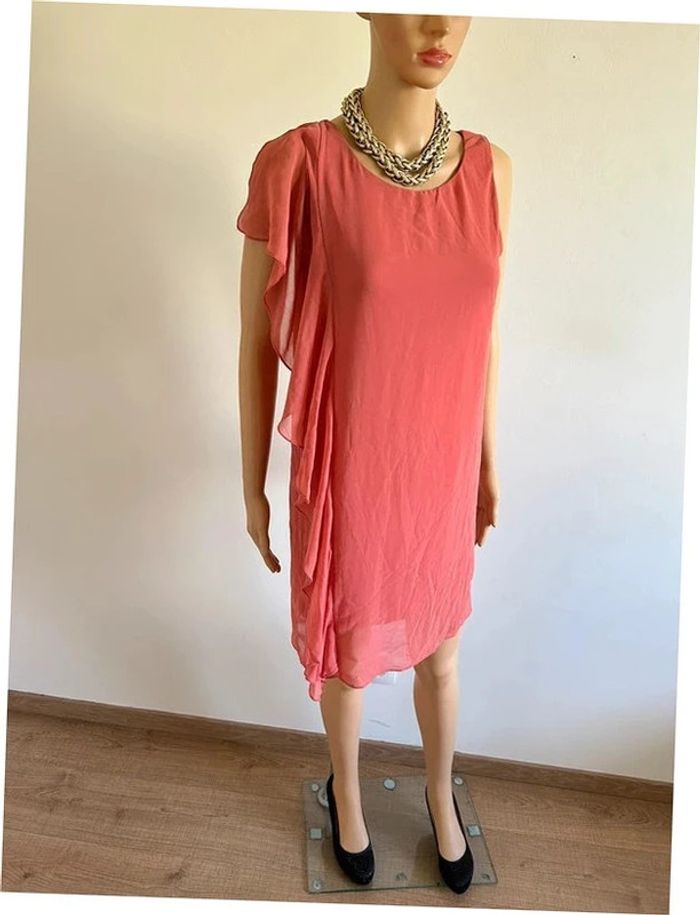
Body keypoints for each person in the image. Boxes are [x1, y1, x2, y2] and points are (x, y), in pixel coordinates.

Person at [237, 13, 511, 894]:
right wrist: (253, 484)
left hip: (441, 468)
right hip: (355, 469)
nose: (439, 23)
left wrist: (487, 456)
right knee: (351, 656)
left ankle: (438, 795)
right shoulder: (299, 164)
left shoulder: (493, 172)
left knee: (443, 651)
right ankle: (347, 795)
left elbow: (484, 334)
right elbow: (255, 340)